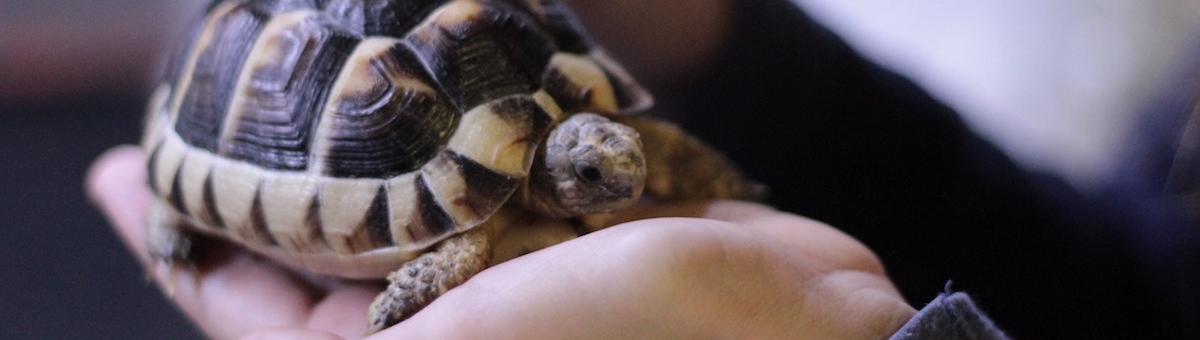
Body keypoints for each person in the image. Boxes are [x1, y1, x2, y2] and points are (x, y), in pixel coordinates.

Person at [86, 0, 1186, 338]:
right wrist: (729, 42)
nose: (618, 173)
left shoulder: (605, 152)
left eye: (610, 167)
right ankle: (186, 192)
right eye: (596, 169)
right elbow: (1131, 289)